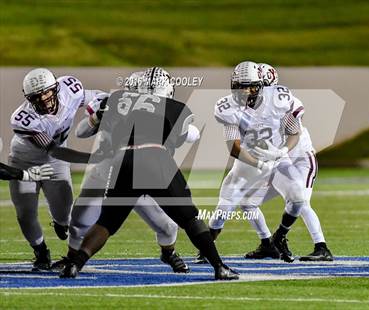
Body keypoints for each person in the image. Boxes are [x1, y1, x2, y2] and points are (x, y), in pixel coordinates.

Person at [59, 67, 238, 280]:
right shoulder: (174, 106)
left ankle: (75, 265)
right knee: (190, 218)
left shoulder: (116, 99)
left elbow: (85, 129)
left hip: (120, 161)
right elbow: (184, 137)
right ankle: (219, 266)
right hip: (154, 157)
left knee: (106, 222)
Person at [51, 72, 197, 273]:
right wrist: (97, 116)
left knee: (167, 227)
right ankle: (72, 258)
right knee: (80, 219)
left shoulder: (162, 110)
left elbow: (192, 134)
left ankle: (168, 253)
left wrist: (184, 129)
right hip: (107, 170)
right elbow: (81, 131)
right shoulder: (113, 103)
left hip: (141, 173)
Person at [196, 61, 331, 264]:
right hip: (248, 161)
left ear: (260, 85)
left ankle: (282, 238)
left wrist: (282, 151)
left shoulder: (278, 99)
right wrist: (258, 163)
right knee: (224, 208)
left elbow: (294, 132)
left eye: (249, 86)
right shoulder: (228, 107)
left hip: (277, 159)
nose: (244, 91)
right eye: (239, 86)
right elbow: (233, 148)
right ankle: (208, 249)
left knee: (297, 196)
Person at [9, 68, 103, 270]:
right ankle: (41, 251)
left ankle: (60, 223)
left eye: (46, 92)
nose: (43, 99)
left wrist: (109, 104)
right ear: (29, 98)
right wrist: (94, 158)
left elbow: (95, 97)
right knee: (25, 213)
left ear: (56, 88)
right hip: (25, 161)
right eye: (36, 96)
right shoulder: (24, 119)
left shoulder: (70, 89)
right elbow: (54, 150)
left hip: (55, 162)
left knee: (64, 212)